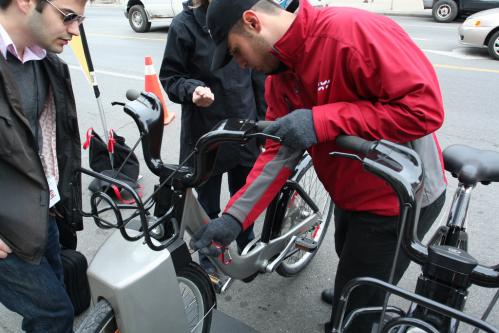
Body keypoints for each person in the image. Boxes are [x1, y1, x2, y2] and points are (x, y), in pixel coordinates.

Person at [191, 0, 447, 332]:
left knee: (357, 312)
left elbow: (425, 109)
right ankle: (350, 289)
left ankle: (356, 309)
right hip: (351, 192)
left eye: (237, 52)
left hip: (398, 199)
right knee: (348, 257)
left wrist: (322, 120)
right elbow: (278, 153)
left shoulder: (349, 33)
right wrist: (234, 219)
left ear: (253, 22)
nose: (240, 65)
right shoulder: (279, 78)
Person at [159, 0, 265, 283]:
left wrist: (265, 120)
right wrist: (192, 90)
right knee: (206, 203)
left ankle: (247, 243)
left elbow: (257, 71)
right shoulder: (184, 25)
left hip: (244, 123)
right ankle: (208, 258)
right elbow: (170, 77)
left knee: (244, 195)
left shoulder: (240, 14)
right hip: (205, 132)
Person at [0, 0, 86, 331]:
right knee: (54, 314)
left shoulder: (48, 64)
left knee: (57, 300)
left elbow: (48, 140)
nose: (75, 30)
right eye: (68, 17)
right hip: (7, 234)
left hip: (43, 212)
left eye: (80, 20)